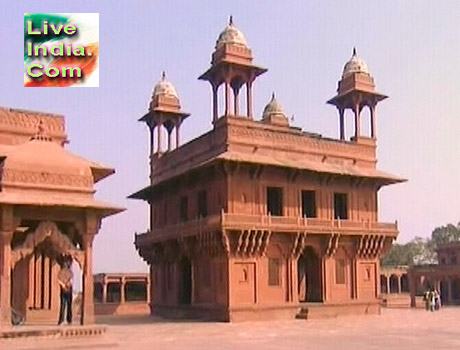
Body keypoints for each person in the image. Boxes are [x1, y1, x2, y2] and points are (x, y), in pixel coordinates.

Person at [58, 257, 74, 325]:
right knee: (65, 305)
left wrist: (64, 285)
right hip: (66, 289)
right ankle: (66, 320)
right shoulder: (64, 272)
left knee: (65, 305)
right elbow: (59, 280)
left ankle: (66, 320)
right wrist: (65, 284)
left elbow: (71, 280)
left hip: (66, 289)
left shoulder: (66, 272)